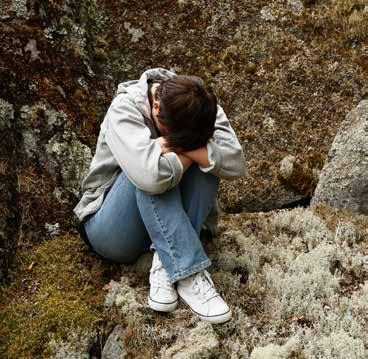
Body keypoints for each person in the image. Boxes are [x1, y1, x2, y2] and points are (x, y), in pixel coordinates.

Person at [73, 68, 246, 324]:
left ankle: (166, 265)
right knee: (151, 173)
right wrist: (197, 150)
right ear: (155, 105)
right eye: (178, 137)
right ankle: (188, 271)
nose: (187, 141)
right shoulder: (125, 108)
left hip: (162, 222)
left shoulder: (198, 105)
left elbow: (235, 163)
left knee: (207, 166)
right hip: (111, 229)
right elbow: (150, 177)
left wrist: (172, 146)